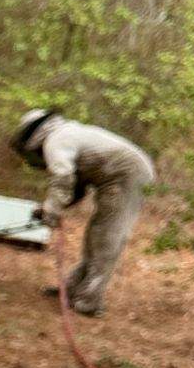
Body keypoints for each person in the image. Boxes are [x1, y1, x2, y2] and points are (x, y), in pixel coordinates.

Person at [12, 105, 155, 317]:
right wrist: (48, 210)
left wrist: (51, 210)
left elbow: (63, 178)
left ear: (31, 139)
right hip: (118, 174)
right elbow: (75, 188)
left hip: (126, 174)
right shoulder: (65, 135)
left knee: (107, 235)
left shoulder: (56, 141)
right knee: (95, 235)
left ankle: (90, 300)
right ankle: (72, 290)